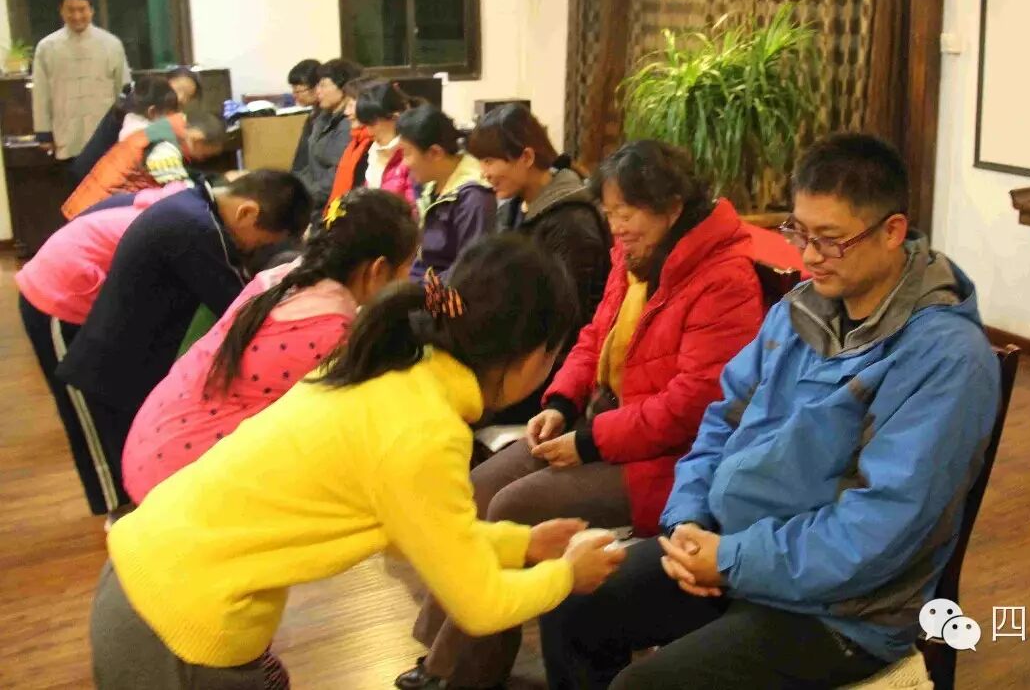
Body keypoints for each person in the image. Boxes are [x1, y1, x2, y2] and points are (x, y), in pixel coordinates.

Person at [538, 133, 1001, 690]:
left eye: (830, 239)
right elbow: (722, 419)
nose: (809, 256)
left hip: (841, 610)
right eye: (799, 232)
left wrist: (730, 559)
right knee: (572, 601)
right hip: (736, 552)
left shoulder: (945, 357)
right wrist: (688, 520)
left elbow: (879, 529)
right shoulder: (802, 308)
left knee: (644, 686)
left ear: (892, 231)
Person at [90, 234, 626, 690]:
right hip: (177, 626)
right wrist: (566, 575)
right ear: (532, 355)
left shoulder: (391, 363)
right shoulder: (426, 429)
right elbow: (480, 603)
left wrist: (522, 545)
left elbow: (420, 530)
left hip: (144, 574)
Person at [397, 140, 764, 690]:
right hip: (603, 424)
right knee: (478, 489)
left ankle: (457, 671)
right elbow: (595, 336)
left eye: (627, 212)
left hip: (669, 459)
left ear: (671, 206)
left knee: (514, 506)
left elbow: (695, 404)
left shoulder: (724, 277)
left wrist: (589, 440)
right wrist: (560, 403)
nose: (616, 227)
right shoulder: (635, 256)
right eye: (610, 213)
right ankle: (455, 655)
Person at [123, 188, 420, 503]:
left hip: (153, 434)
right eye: (407, 268)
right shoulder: (331, 336)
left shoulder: (280, 278)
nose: (409, 279)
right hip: (178, 480)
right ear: (378, 270)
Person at [55, 170, 312, 519]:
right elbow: (238, 306)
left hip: (129, 362)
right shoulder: (196, 231)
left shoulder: (190, 207)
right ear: (247, 212)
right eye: (261, 242)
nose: (254, 250)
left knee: (137, 476)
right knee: (124, 490)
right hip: (110, 371)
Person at [16, 184, 187, 515]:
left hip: (89, 291)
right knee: (83, 405)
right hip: (57, 297)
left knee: (117, 400)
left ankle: (135, 492)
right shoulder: (187, 229)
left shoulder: (179, 207)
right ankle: (116, 506)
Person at [465, 103, 611, 421]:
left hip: (549, 372)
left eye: (490, 161)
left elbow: (567, 323)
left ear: (527, 157)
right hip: (517, 355)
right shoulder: (515, 208)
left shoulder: (571, 222)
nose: (484, 173)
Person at [63, 104, 227, 219]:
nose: (202, 159)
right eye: (205, 155)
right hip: (93, 214)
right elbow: (180, 191)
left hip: (91, 206)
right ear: (197, 140)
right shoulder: (164, 147)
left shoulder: (166, 128)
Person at [397, 102, 495, 282]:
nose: (403, 164)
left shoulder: (473, 198)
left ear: (435, 153)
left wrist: (417, 289)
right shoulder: (431, 186)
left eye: (407, 153)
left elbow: (470, 272)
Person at [31, 0, 131, 162]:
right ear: (61, 12)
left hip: (105, 133)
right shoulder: (47, 47)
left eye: (82, 9)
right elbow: (41, 94)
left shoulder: (111, 44)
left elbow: (123, 90)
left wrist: (128, 127)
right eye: (70, 10)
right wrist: (43, 133)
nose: (77, 16)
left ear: (91, 10)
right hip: (66, 133)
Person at [71, 67, 203, 183]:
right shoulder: (139, 108)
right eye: (179, 89)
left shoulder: (153, 105)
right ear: (164, 82)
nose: (181, 97)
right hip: (93, 176)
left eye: (188, 96)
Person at [326, 78, 417, 206]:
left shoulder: (412, 155)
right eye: (365, 124)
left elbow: (414, 208)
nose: (368, 131)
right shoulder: (374, 151)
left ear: (395, 117)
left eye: (372, 123)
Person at [294, 58, 362, 212]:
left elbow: (335, 177)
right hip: (314, 199)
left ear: (343, 88)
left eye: (323, 85)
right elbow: (307, 165)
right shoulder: (322, 117)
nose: (317, 91)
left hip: (330, 204)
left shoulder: (348, 124)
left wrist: (301, 197)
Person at [288, 58, 323, 175]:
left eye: (299, 91)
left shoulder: (326, 119)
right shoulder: (313, 116)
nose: (295, 96)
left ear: (317, 87)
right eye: (294, 91)